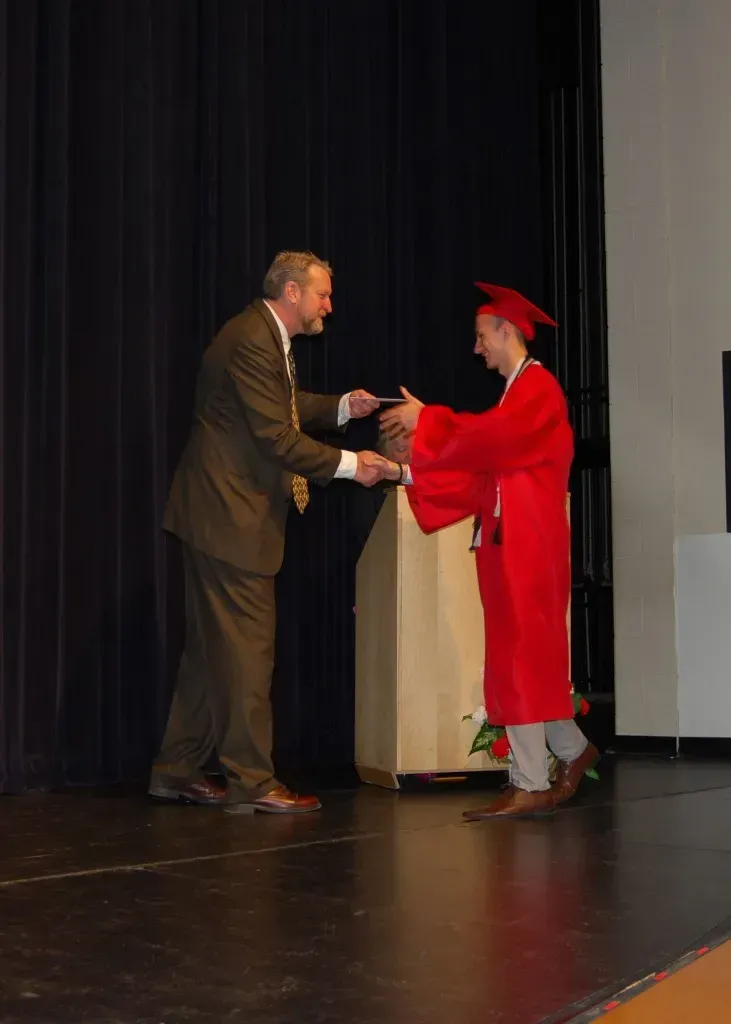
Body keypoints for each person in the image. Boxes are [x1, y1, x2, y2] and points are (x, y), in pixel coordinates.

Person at [150, 250, 388, 814]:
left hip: (215, 515)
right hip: (229, 518)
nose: (329, 305)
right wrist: (356, 465)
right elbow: (276, 439)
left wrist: (341, 409)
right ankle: (253, 782)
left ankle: (176, 768)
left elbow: (281, 406)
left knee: (212, 654)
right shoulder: (256, 338)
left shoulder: (260, 333)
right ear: (292, 295)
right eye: (323, 295)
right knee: (249, 653)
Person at [379, 283, 599, 820]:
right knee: (519, 657)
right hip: (509, 541)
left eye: (482, 337)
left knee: (521, 657)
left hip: (530, 544)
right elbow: (481, 480)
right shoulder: (515, 396)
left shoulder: (538, 391)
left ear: (507, 331)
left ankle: (528, 780)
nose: (476, 349)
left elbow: (490, 441)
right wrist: (402, 471)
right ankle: (572, 751)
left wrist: (428, 419)